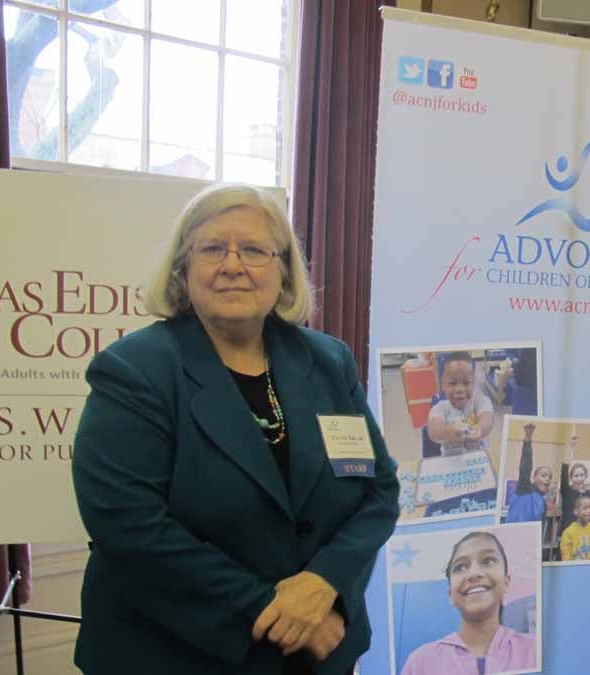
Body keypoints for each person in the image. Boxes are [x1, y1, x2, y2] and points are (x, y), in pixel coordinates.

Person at [71, 184, 400, 675]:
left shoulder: (328, 361)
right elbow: (128, 524)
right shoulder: (135, 370)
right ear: (184, 269)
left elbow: (378, 490)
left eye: (252, 250)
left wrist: (326, 582)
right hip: (176, 653)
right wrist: (280, 612)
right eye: (211, 249)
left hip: (320, 653)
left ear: (283, 270)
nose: (232, 264)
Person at [400, 531, 537, 675]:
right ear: (450, 595)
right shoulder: (420, 663)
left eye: (488, 561)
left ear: (506, 583)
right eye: (461, 567)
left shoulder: (535, 650)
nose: (473, 573)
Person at [427, 352, 495, 455]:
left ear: (473, 382)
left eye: (466, 383)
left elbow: (488, 419)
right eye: (452, 383)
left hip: (480, 460)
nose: (459, 389)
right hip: (450, 462)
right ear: (443, 384)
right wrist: (448, 432)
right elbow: (433, 430)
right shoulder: (439, 408)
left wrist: (480, 429)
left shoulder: (481, 401)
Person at [504, 423, 552, 524]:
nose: (547, 478)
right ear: (534, 477)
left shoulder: (542, 501)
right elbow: (525, 467)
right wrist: (528, 439)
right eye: (543, 475)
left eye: (549, 477)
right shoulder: (525, 488)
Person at [556, 435, 590, 542]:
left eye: (582, 475)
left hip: (582, 535)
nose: (579, 478)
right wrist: (570, 447)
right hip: (567, 533)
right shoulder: (567, 491)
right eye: (576, 476)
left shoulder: (588, 494)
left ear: (585, 476)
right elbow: (564, 470)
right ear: (571, 478)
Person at [559, 494, 590, 561]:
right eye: (585, 508)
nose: (589, 511)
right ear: (576, 511)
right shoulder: (568, 533)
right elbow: (565, 559)